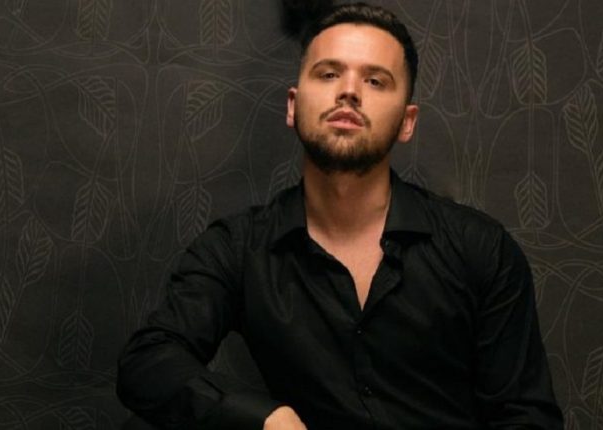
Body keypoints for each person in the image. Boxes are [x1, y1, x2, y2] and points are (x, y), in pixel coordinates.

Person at [117, 3, 563, 429]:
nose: (349, 91)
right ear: (293, 106)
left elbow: (526, 417)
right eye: (329, 73)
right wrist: (265, 419)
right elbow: (148, 362)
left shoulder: (479, 248)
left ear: (407, 122)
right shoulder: (238, 248)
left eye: (375, 81)